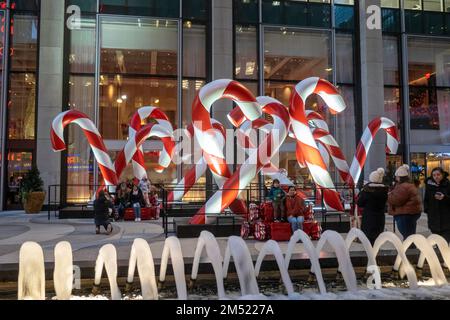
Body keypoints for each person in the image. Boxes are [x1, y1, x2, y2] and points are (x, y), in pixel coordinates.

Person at [387, 164, 422, 240]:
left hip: (405, 214)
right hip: (410, 213)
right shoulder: (409, 185)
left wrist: (388, 195)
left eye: (396, 176)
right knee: (410, 235)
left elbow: (396, 200)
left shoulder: (403, 187)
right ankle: (411, 249)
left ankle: (410, 250)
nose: (395, 178)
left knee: (408, 236)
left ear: (400, 177)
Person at [357, 168, 389, 245]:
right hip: (380, 217)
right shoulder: (384, 191)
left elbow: (360, 203)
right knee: (377, 238)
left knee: (368, 238)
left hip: (368, 217)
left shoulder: (367, 191)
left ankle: (370, 255)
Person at [424, 167, 450, 242]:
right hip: (433, 218)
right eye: (434, 175)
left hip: (446, 219)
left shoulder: (448, 184)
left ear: (442, 175)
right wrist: (427, 210)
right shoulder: (429, 186)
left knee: (445, 242)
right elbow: (426, 200)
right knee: (437, 241)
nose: (436, 177)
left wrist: (444, 197)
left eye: (438, 174)